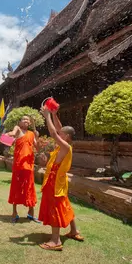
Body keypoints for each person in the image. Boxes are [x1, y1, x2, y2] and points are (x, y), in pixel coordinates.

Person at [39, 105, 84, 251]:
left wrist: (46, 116)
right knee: (64, 204)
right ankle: (74, 231)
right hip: (59, 180)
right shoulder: (64, 144)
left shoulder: (65, 146)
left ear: (67, 137)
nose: (59, 133)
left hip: (55, 182)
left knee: (55, 208)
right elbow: (58, 128)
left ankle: (55, 240)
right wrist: (54, 114)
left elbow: (53, 132)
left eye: (61, 133)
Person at [7, 115, 40, 223]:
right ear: (20, 122)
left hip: (29, 165)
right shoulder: (17, 129)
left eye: (28, 120)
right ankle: (14, 213)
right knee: (16, 187)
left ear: (30, 123)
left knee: (29, 187)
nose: (26, 121)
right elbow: (12, 132)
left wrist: (37, 138)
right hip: (18, 164)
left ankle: (31, 213)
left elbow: (37, 147)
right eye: (24, 119)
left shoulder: (31, 134)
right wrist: (9, 134)